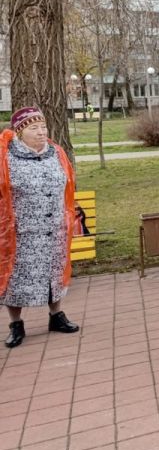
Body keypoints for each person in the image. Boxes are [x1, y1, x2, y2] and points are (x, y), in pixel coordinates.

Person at [1, 108, 79, 349]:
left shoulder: (56, 153)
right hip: (21, 233)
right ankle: (16, 323)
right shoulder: (6, 157)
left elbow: (67, 185)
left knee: (54, 274)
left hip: (54, 229)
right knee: (17, 279)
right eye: (34, 128)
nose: (41, 132)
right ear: (20, 132)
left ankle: (56, 315)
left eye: (43, 127)